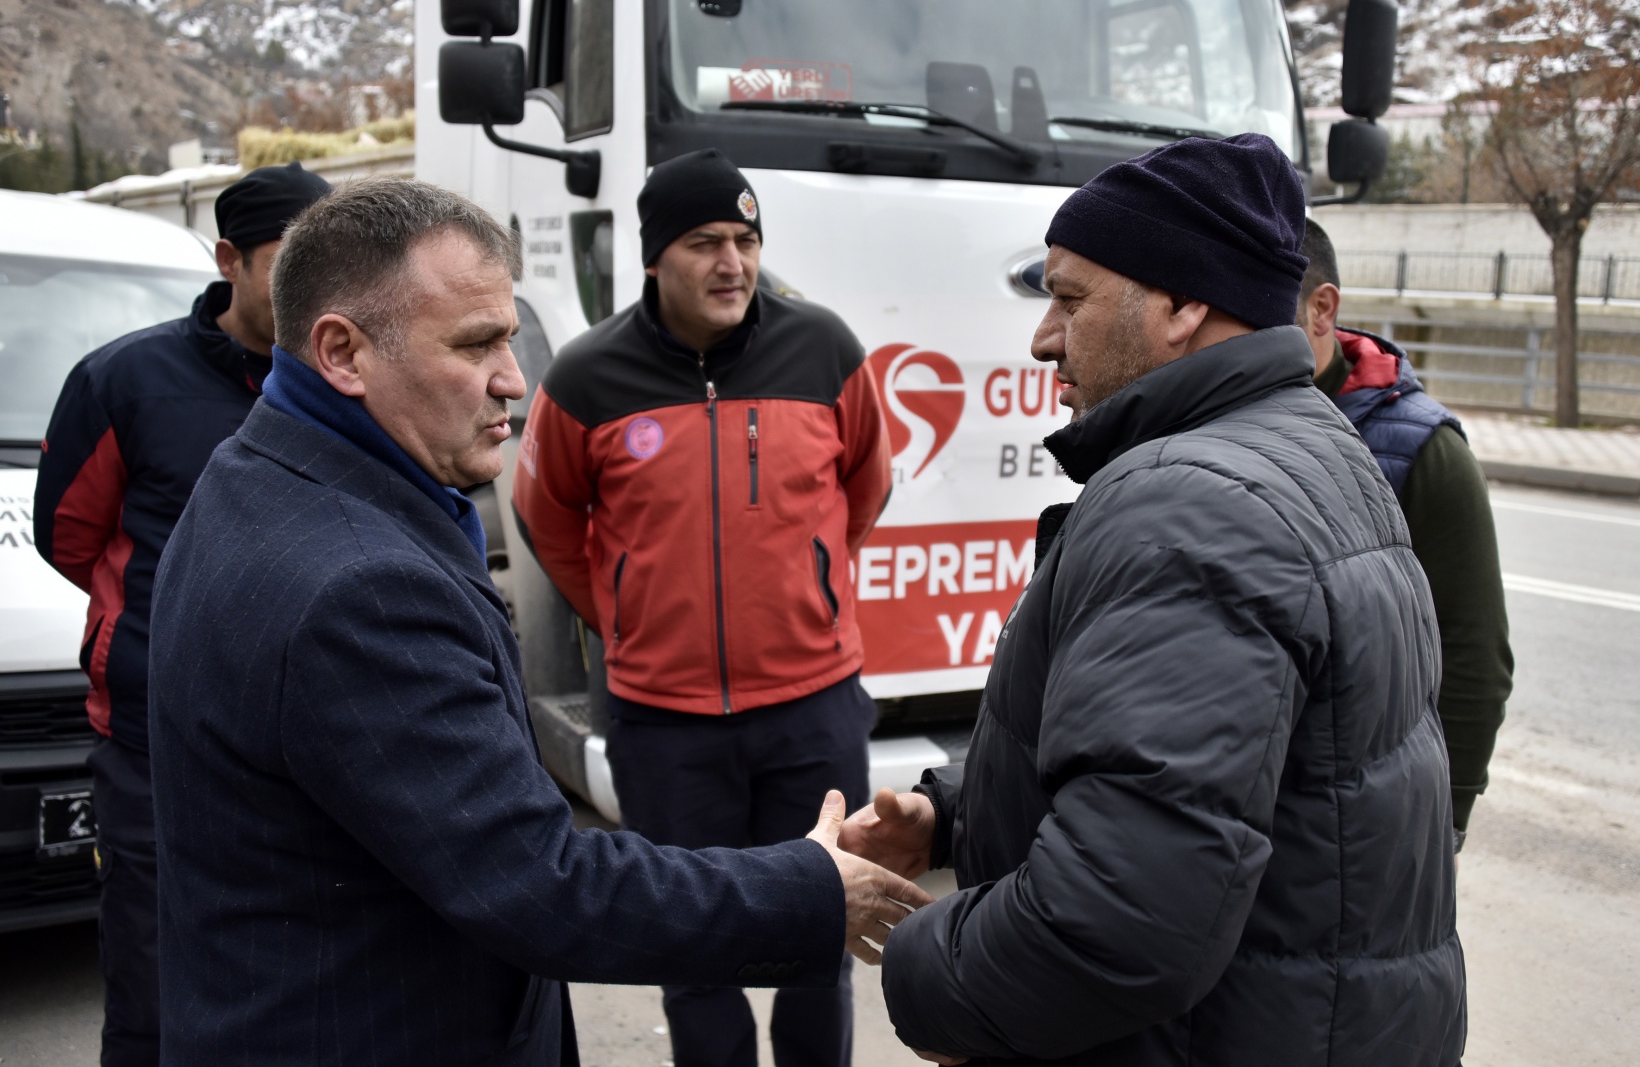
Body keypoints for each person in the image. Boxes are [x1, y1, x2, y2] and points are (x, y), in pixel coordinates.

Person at [145, 178, 928, 1066]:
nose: (513, 379)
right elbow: (541, 883)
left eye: (510, 337)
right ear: (343, 352)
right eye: (476, 344)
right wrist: (811, 887)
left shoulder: (262, 472)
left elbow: (864, 485)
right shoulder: (358, 587)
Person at [842, 135, 1466, 1066]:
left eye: (1069, 298)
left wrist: (932, 974)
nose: (1042, 337)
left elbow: (1116, 915)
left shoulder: (1190, 503)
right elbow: (1206, 773)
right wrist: (958, 810)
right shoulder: (1311, 448)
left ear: (1181, 305)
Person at [511, 148, 893, 1067]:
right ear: (652, 256)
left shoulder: (825, 348)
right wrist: (623, 615)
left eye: (746, 239)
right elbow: (544, 514)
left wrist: (803, 590)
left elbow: (864, 486)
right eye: (704, 242)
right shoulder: (585, 378)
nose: (733, 262)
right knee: (690, 954)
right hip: (663, 723)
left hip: (811, 709)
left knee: (819, 936)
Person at [33, 160, 331, 1067]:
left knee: (301, 981)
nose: (314, 288)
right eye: (292, 261)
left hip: (306, 737)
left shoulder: (344, 374)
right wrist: (168, 623)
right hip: (154, 746)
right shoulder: (125, 379)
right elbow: (69, 537)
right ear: (229, 260)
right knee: (156, 990)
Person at [1296, 217, 1513, 853]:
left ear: (1321, 308)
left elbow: (1474, 654)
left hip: (1368, 829)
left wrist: (1445, 823)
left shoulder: (1423, 451)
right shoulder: (1210, 417)